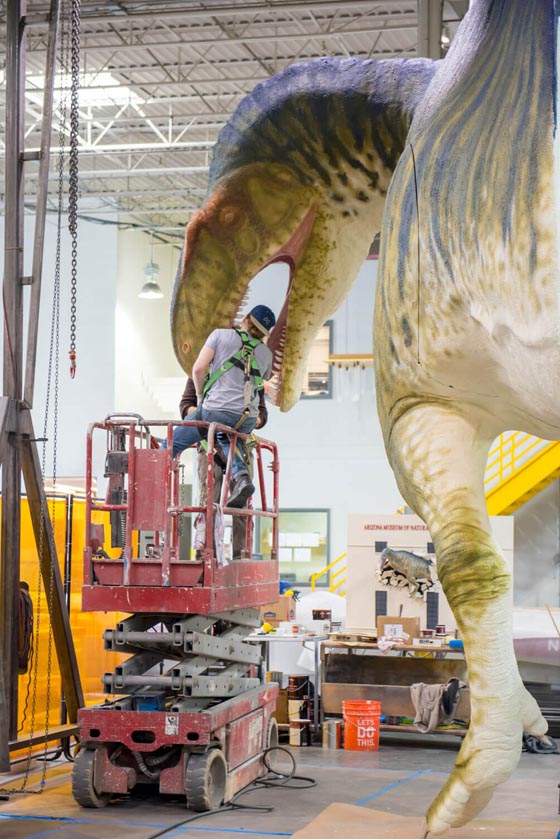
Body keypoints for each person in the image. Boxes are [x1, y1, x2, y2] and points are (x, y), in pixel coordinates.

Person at [168, 304, 275, 509]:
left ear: (246, 319)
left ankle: (156, 462)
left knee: (174, 441)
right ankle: (242, 476)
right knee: (224, 433)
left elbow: (198, 369)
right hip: (246, 421)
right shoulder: (266, 355)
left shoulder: (219, 336)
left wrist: (201, 398)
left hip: (215, 412)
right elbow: (264, 381)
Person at [180, 376, 268, 558]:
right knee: (208, 500)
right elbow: (185, 406)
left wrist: (247, 420)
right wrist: (213, 415)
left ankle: (240, 554)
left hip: (240, 446)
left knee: (241, 503)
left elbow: (261, 414)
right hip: (209, 445)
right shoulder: (202, 373)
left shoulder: (249, 375)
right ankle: (205, 554)